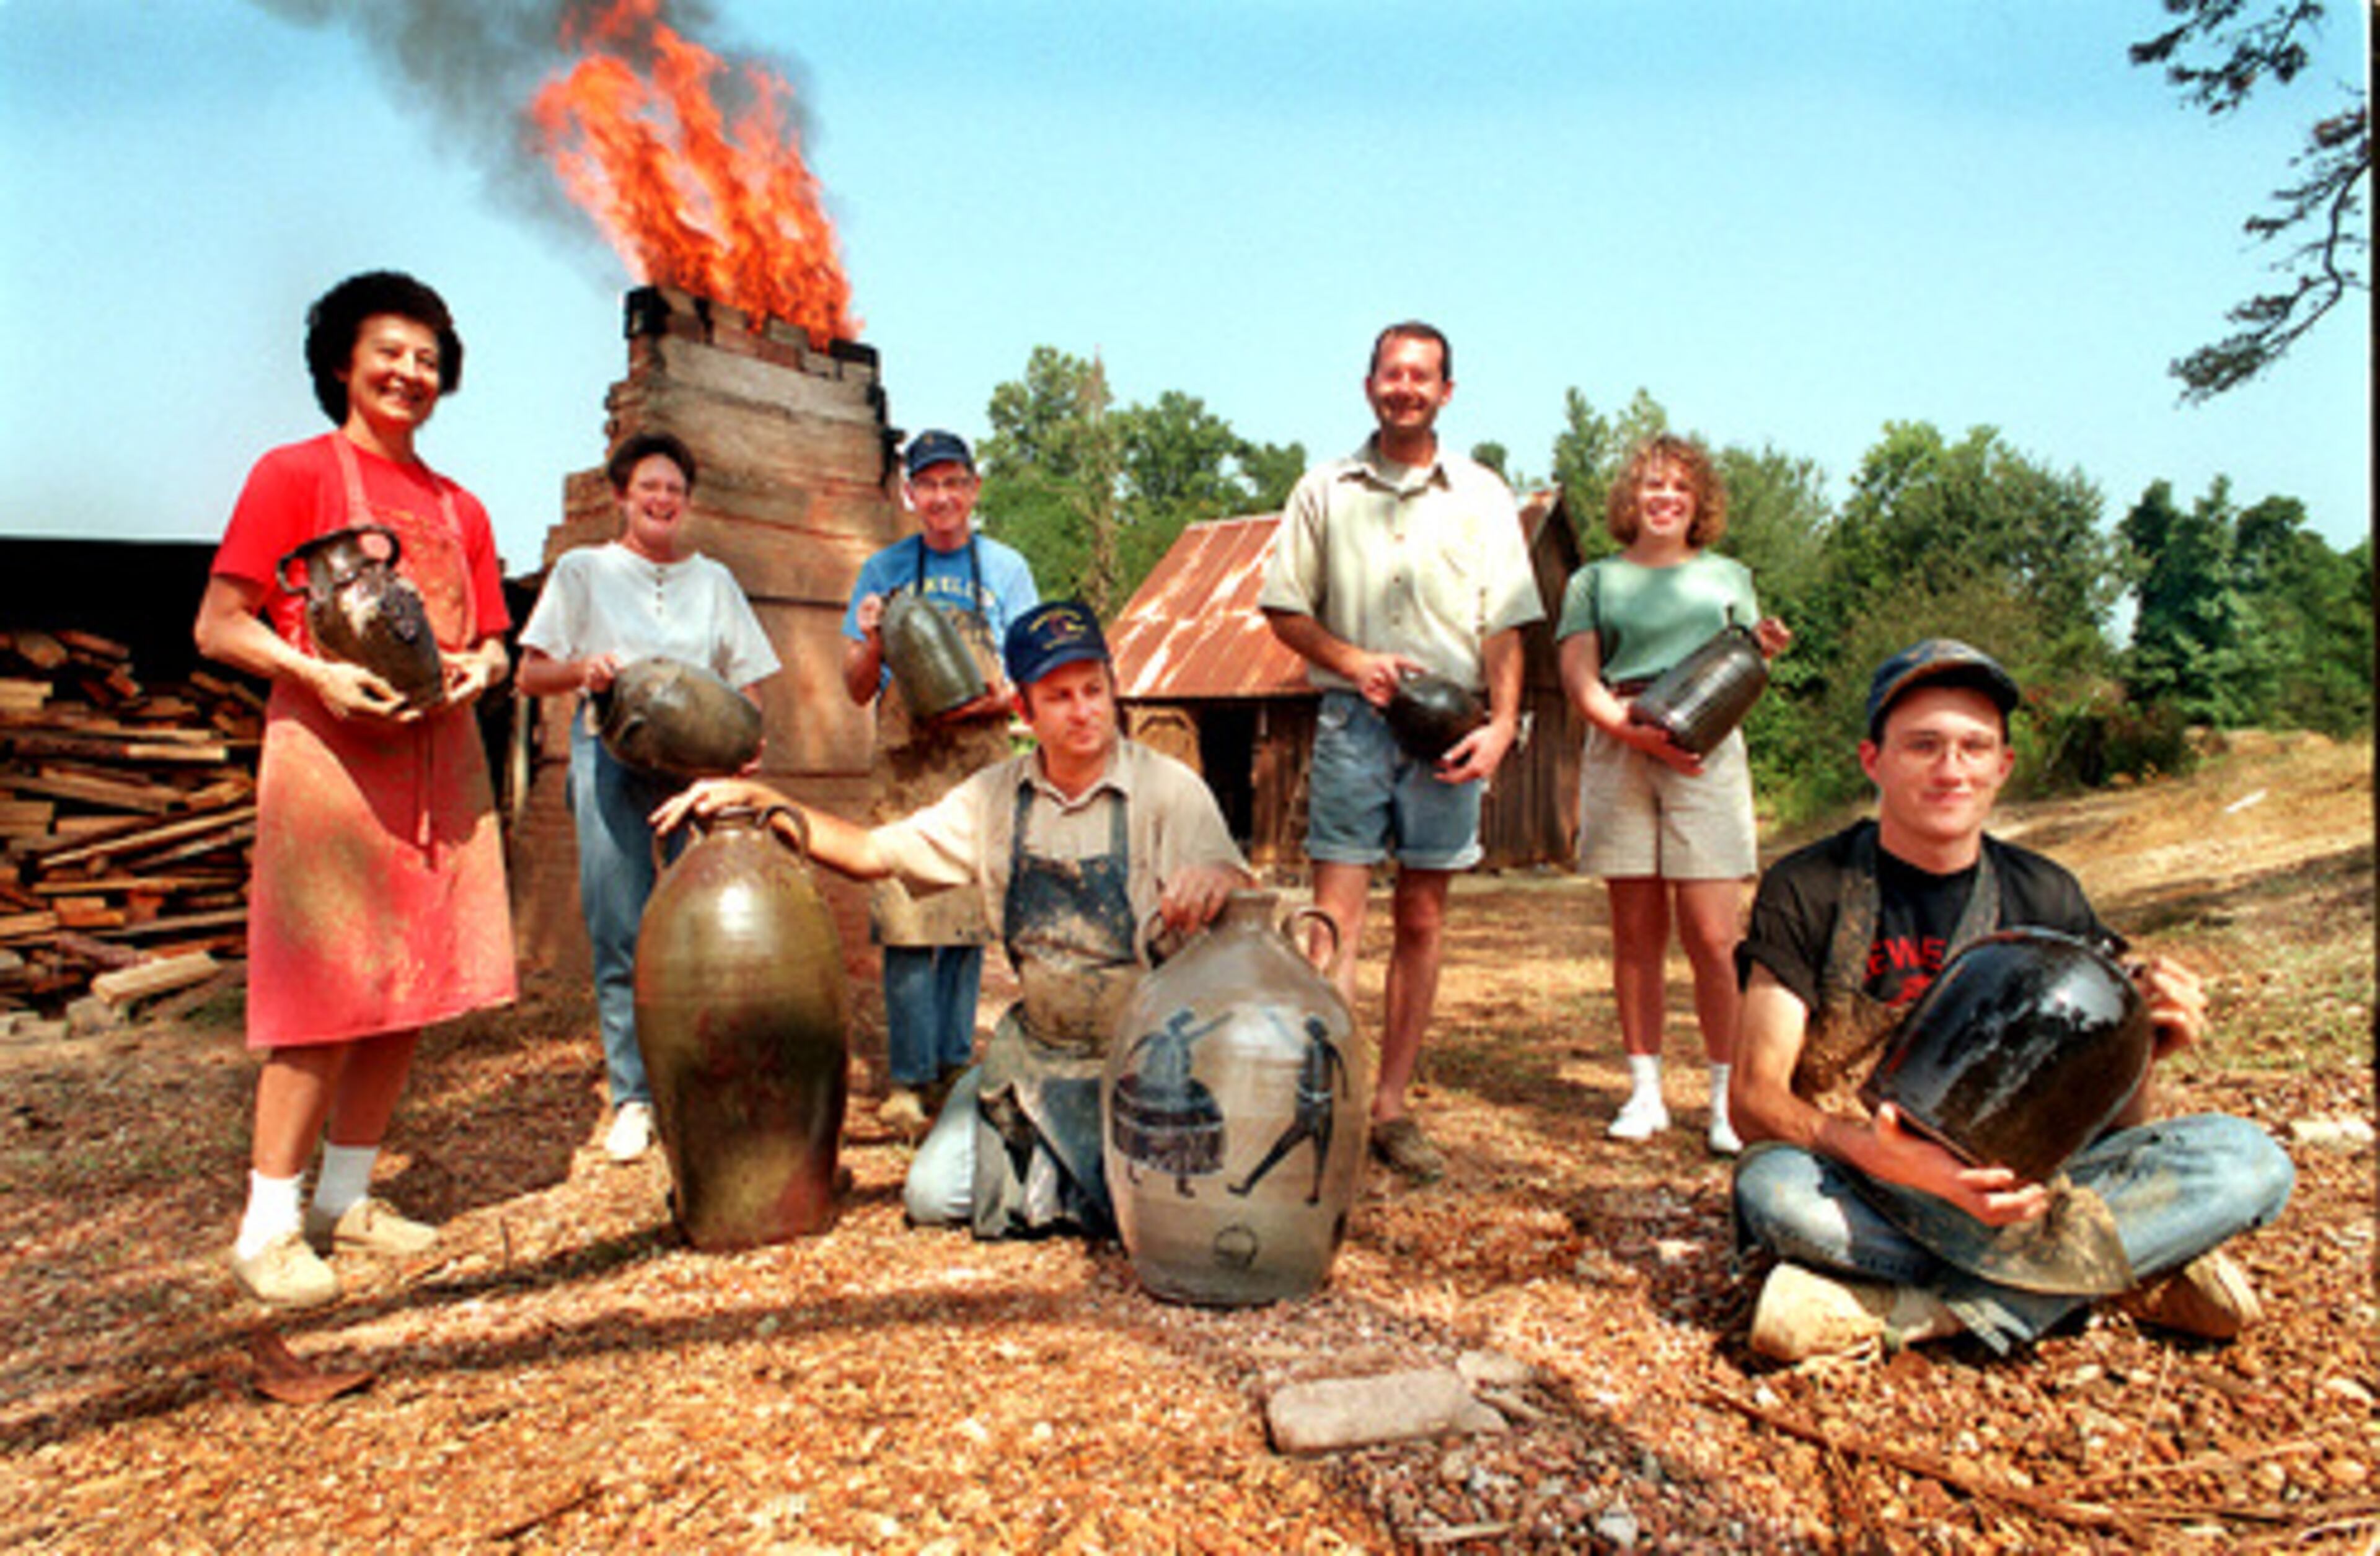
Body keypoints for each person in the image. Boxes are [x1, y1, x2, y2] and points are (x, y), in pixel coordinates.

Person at [1729, 640, 2294, 1363]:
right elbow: (1753, 1100)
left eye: (1974, 747)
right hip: (1863, 1182)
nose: (1951, 769)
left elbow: (2116, 1127)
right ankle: (2115, 1276)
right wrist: (1880, 1155)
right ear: (1874, 761)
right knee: (1774, 1191)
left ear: (2004, 766)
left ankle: (1917, 1310)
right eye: (1923, 746)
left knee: (2250, 1163)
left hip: (2025, 1195)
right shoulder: (1809, 887)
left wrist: (2140, 1050)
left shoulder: (2048, 893)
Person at [657, 601, 1249, 1238]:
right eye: (1059, 697)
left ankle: (1066, 1173)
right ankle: (1000, 1110)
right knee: (934, 1197)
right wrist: (763, 800)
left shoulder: (1170, 789)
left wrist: (1219, 879)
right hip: (1039, 1055)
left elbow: (1241, 891)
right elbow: (869, 853)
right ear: (1024, 710)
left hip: (1142, 1060)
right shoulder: (993, 798)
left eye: (1094, 691)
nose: (1083, 711)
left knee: (1160, 1213)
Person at [194, 270, 516, 1308]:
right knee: (324, 999)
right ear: (343, 361)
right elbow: (220, 623)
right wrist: (319, 671)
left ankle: (347, 1196)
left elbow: (497, 643)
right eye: (391, 352)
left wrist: (482, 670)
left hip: (439, 763)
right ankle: (268, 1224)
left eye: (428, 359)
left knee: (409, 993)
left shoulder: (459, 505)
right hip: (331, 762)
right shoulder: (291, 475)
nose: (410, 373)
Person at [1258, 321, 1543, 1182]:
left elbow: (1504, 624)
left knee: (1422, 917)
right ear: (1369, 383)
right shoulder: (1323, 490)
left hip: (1450, 729)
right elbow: (1283, 608)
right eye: (1392, 373)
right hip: (1352, 722)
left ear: (1447, 391)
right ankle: (1333, 1100)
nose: (1405, 387)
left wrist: (1499, 726)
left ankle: (1390, 1105)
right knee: (1332, 924)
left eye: (1422, 375)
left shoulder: (1485, 495)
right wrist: (1352, 660)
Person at [514, 431, 778, 1163]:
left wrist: (747, 746)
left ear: (686, 503)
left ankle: (707, 1077)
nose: (662, 500)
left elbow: (746, 677)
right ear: (622, 496)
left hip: (697, 766)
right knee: (619, 925)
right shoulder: (583, 571)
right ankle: (634, 1095)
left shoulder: (714, 581)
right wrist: (582, 669)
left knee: (713, 925)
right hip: (611, 754)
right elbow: (530, 675)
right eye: (649, 488)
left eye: (674, 490)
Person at [1555, 434, 1791, 1154]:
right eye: (1653, 486)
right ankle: (1646, 1092)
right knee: (1636, 935)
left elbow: (1742, 670)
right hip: (1621, 739)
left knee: (1714, 938)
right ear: (1633, 497)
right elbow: (1578, 676)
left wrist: (1763, 650)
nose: (1665, 499)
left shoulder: (1729, 576)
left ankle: (1726, 1102)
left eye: (1680, 489)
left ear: (1699, 504)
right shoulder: (1594, 580)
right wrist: (1632, 733)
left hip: (1707, 753)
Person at [842, 430, 1039, 1136]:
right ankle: (906, 1079)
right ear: (910, 495)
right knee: (904, 918)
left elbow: (1031, 676)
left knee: (963, 918)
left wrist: (997, 699)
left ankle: (955, 1066)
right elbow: (857, 688)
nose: (943, 497)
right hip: (905, 763)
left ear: (974, 488)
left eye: (954, 482)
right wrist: (871, 641)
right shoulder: (883, 570)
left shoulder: (1008, 570)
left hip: (978, 759)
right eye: (928, 485)